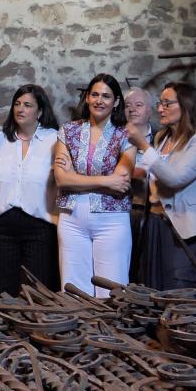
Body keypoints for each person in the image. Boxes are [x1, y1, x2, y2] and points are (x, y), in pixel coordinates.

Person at [127, 81, 196, 298]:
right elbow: (148, 173)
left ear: (186, 105)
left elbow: (176, 178)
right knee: (155, 286)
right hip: (157, 223)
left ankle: (187, 331)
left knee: (181, 289)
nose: (160, 109)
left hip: (185, 227)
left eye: (167, 104)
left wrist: (143, 145)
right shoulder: (163, 138)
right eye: (160, 103)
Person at [54, 74, 136, 296]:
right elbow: (62, 179)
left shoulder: (126, 135)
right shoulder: (68, 131)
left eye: (106, 96)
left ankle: (109, 332)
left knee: (111, 290)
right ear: (87, 98)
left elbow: (121, 182)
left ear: (116, 101)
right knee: (73, 290)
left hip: (111, 221)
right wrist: (105, 180)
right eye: (95, 94)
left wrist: (76, 178)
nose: (100, 100)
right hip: (72, 220)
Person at [0, 84, 61, 294]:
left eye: (27, 105)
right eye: (17, 104)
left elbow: (61, 179)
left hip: (39, 225)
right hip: (3, 224)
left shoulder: (54, 140)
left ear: (40, 111)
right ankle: (7, 326)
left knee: (38, 290)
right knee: (4, 291)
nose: (20, 109)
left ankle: (37, 327)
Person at [125, 86, 155, 278]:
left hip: (150, 211)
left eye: (139, 105)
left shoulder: (161, 138)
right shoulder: (115, 137)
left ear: (149, 110)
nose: (132, 109)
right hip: (123, 209)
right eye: (128, 105)